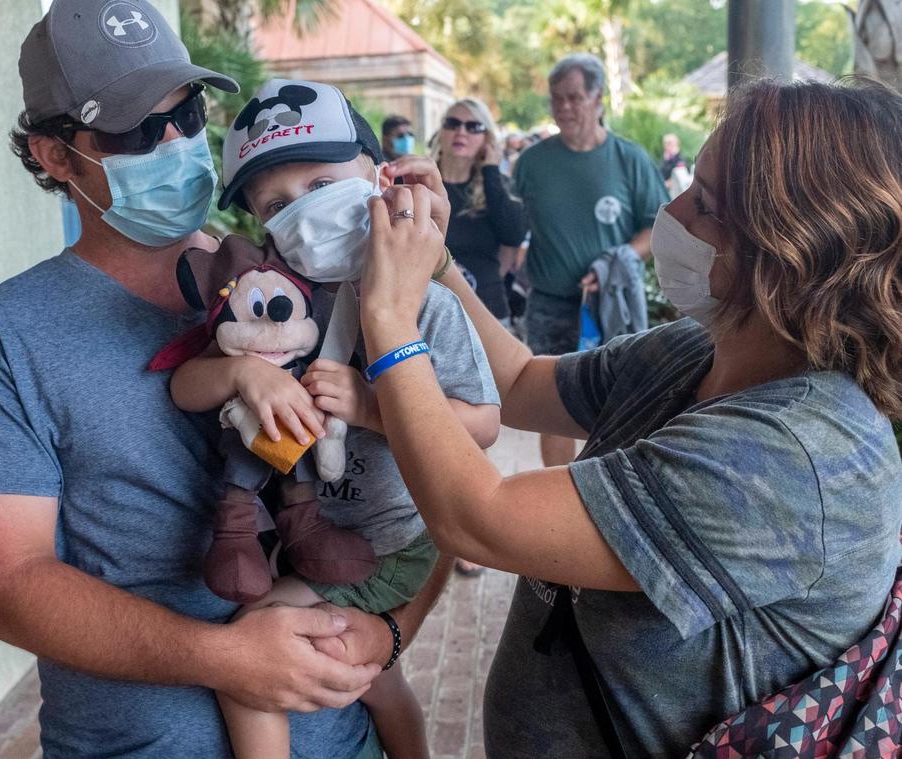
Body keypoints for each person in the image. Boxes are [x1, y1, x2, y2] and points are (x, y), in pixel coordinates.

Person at [0, 3, 444, 756]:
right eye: (134, 130)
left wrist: (393, 628)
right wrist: (228, 658)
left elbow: (434, 471)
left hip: (344, 734)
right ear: (55, 155)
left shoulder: (295, 273)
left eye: (188, 112)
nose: (174, 141)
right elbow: (6, 585)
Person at [358, 77, 902, 757]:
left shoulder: (794, 459)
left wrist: (387, 319)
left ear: (792, 253)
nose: (670, 213)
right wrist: (437, 262)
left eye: (704, 204)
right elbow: (523, 380)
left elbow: (475, 515)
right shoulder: (701, 347)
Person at [169, 78, 501, 759]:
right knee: (381, 683)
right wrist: (241, 371)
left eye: (324, 184)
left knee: (248, 655)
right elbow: (184, 386)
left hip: (392, 540)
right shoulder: (278, 304)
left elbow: (485, 421)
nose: (305, 213)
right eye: (277, 205)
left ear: (379, 176)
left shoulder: (426, 304)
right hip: (316, 532)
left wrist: (373, 407)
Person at [511, 53, 668, 468]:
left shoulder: (629, 160)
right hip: (548, 303)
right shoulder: (532, 163)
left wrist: (615, 261)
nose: (563, 107)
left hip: (606, 306)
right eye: (556, 98)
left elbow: (656, 228)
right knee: (550, 409)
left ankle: (604, 493)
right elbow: (513, 225)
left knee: (615, 404)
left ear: (599, 100)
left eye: (574, 97)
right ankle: (556, 491)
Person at [435, 97, 527, 326]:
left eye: (473, 126)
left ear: (487, 138)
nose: (461, 132)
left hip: (488, 309)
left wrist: (491, 171)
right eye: (453, 123)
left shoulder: (496, 184)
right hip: (431, 311)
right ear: (441, 132)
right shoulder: (420, 181)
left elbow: (513, 236)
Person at [659, 133, 692, 199]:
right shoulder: (666, 158)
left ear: (676, 143)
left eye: (669, 143)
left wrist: (659, 185)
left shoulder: (680, 161)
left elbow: (676, 180)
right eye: (665, 143)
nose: (666, 146)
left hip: (671, 195)